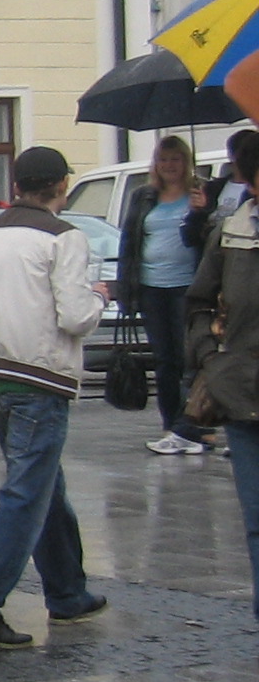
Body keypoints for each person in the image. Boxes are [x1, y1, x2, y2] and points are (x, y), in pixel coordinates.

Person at [0, 146, 108, 647]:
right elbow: (75, 316)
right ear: (61, 186)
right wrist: (101, 295)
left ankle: (67, 593)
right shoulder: (66, 237)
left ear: (17, 184)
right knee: (26, 496)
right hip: (40, 376)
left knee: (44, 488)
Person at [186, 192, 259, 617]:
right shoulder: (232, 234)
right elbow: (198, 302)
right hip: (239, 391)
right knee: (255, 519)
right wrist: (210, 358)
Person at [122, 135, 211, 454]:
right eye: (163, 159)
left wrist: (200, 212)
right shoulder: (144, 197)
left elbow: (203, 239)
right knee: (164, 360)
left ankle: (192, 426)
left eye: (175, 159)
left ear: (186, 162)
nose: (169, 165)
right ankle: (171, 423)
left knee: (190, 358)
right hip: (151, 287)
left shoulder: (199, 194)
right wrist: (126, 292)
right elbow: (129, 243)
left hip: (187, 286)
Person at [187, 129, 259, 252]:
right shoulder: (212, 188)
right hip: (212, 257)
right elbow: (190, 238)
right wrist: (198, 212)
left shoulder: (253, 194)